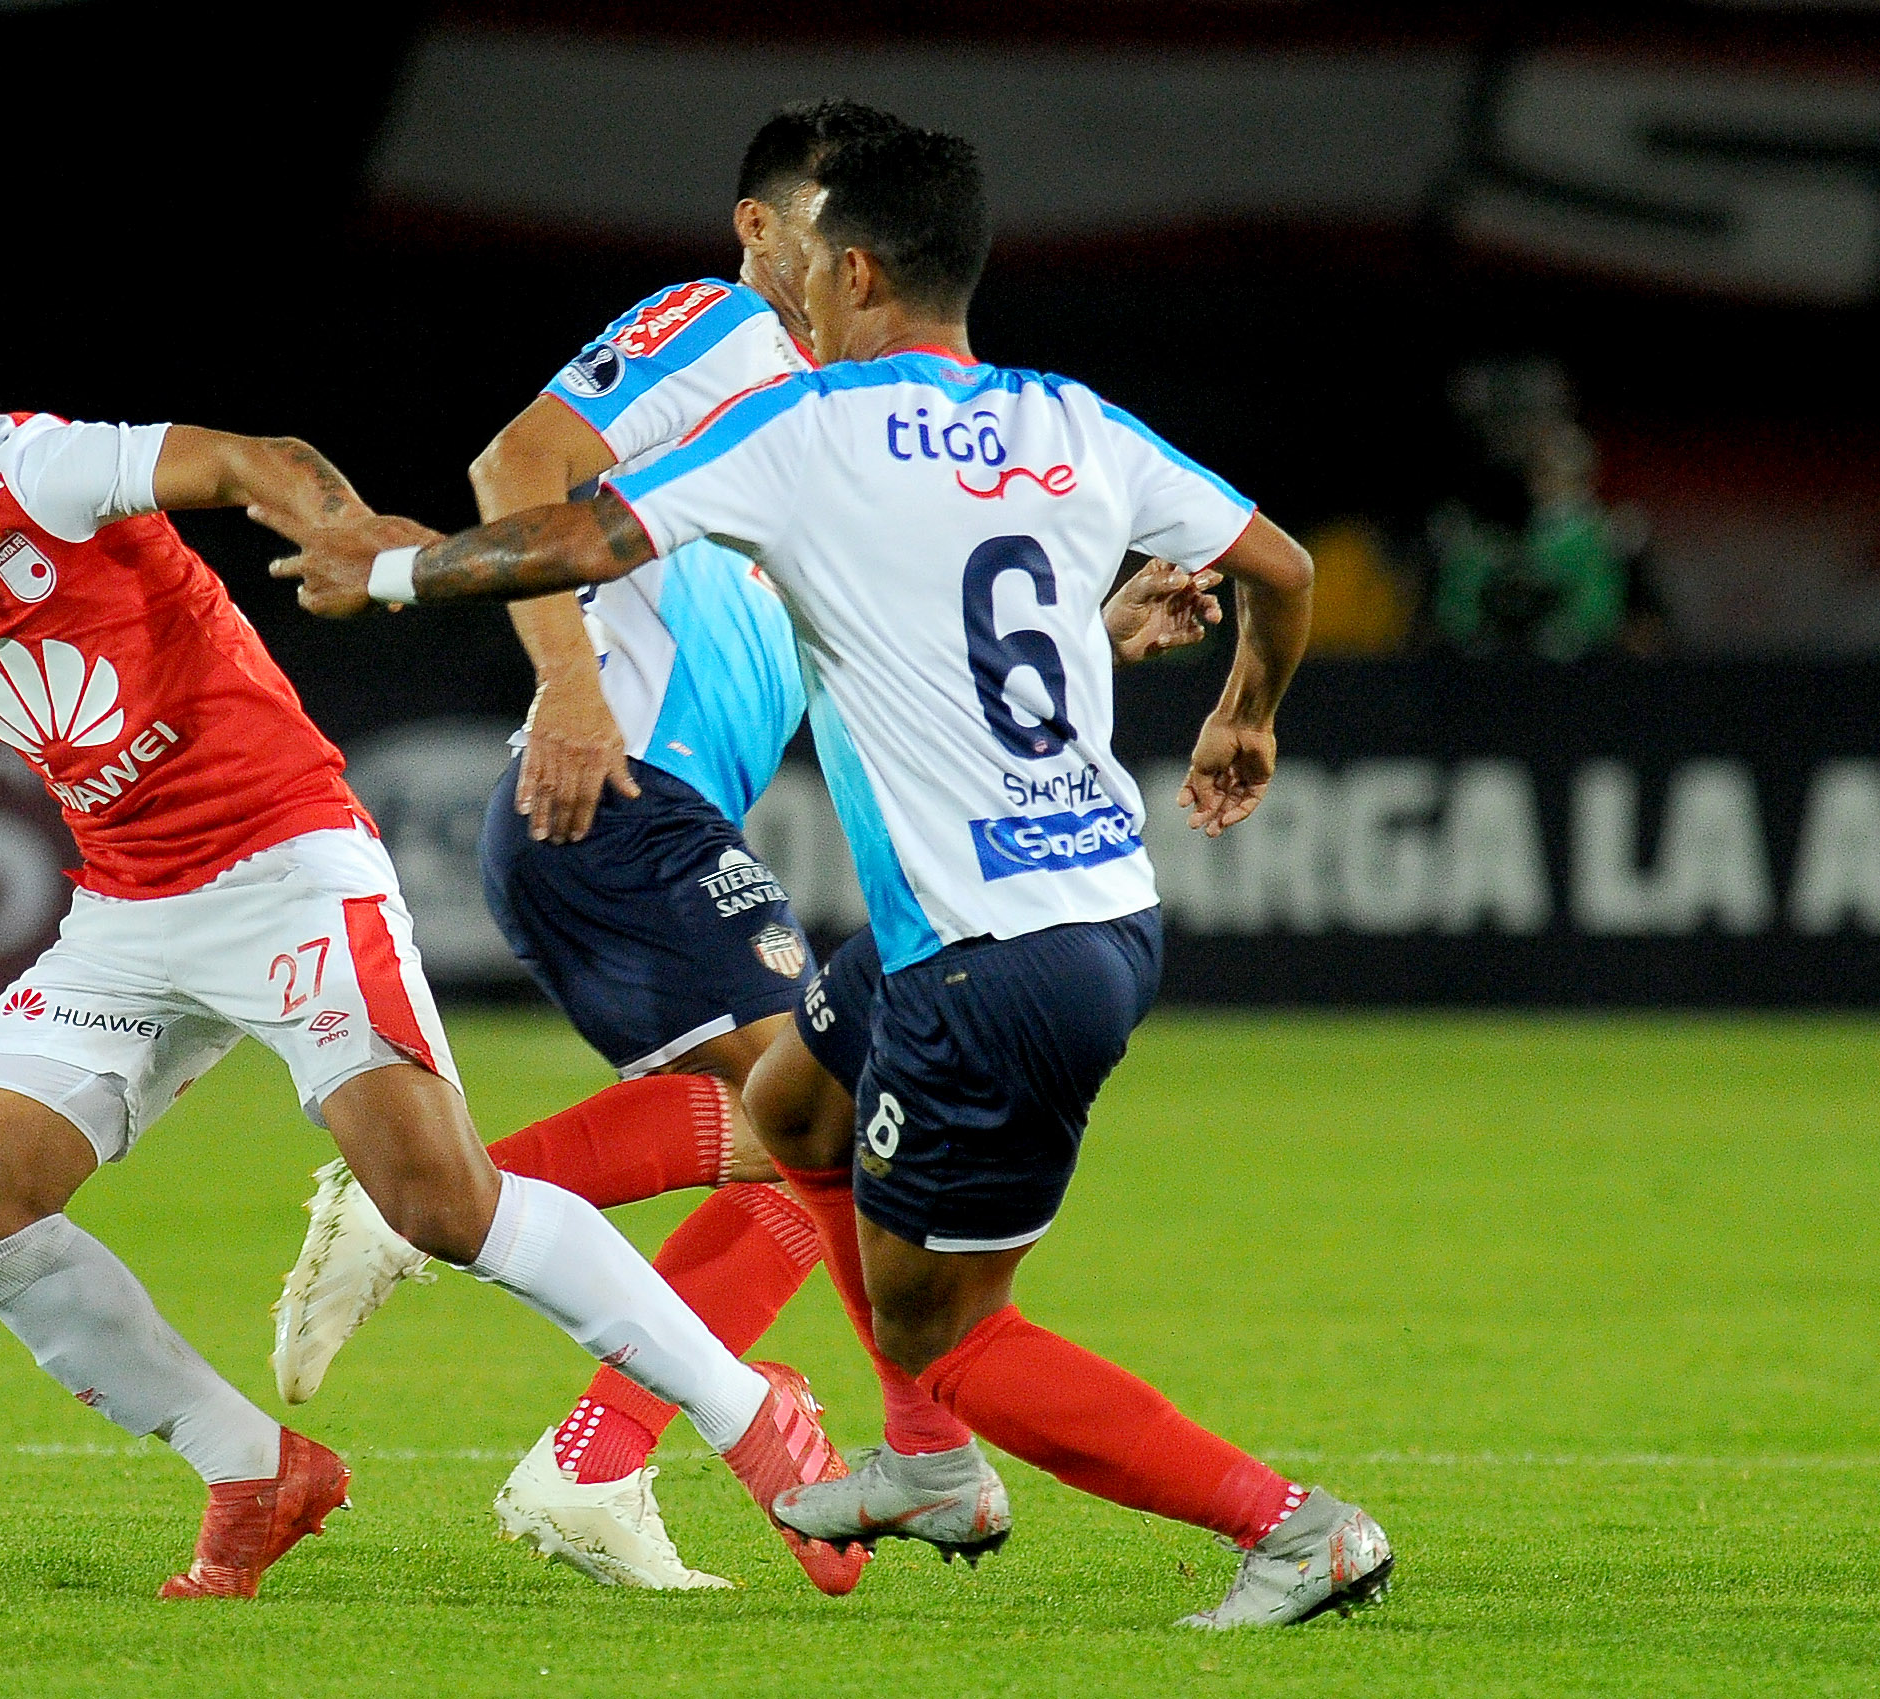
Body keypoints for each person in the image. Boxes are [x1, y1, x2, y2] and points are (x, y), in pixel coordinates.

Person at [262, 125, 1395, 1629]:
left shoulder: (815, 425)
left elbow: (590, 532)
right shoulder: (1051, 415)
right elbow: (1279, 568)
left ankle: (1284, 1523)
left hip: (981, 946)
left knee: (931, 1309)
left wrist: (391, 574)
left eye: (801, 242)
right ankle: (768, 1427)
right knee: (792, 1105)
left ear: (848, 260)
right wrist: (1235, 707)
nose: (777, 266)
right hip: (945, 879)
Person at [0, 329, 852, 1601]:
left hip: (286, 867)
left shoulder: (28, 471)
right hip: (127, 912)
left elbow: (253, 461)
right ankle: (253, 1469)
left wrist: (347, 534)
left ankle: (753, 1418)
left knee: (440, 1203)